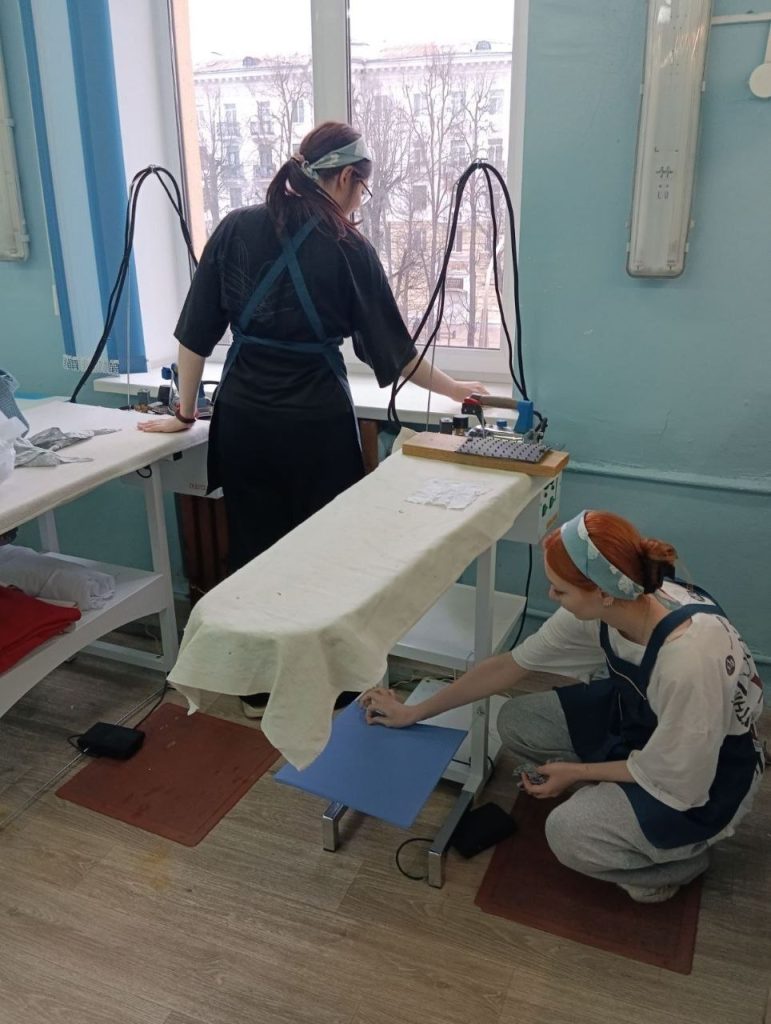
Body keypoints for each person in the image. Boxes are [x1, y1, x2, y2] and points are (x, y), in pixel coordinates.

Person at [139, 121, 487, 718]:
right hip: (316, 426)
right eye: (362, 189)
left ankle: (255, 692)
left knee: (253, 553)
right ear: (347, 177)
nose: (358, 202)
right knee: (328, 558)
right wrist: (456, 389)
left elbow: (194, 335)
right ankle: (332, 691)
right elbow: (395, 353)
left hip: (244, 422)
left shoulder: (236, 228)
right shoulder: (349, 247)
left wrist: (185, 411)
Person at [360, 510, 764, 903]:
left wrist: (575, 773)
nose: (551, 597)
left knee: (568, 834)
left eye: (561, 590)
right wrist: (414, 712)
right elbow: (508, 666)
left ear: (602, 593)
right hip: (647, 723)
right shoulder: (622, 598)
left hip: (705, 778)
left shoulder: (688, 661)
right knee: (516, 719)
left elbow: (675, 774)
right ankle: (611, 796)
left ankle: (680, 863)